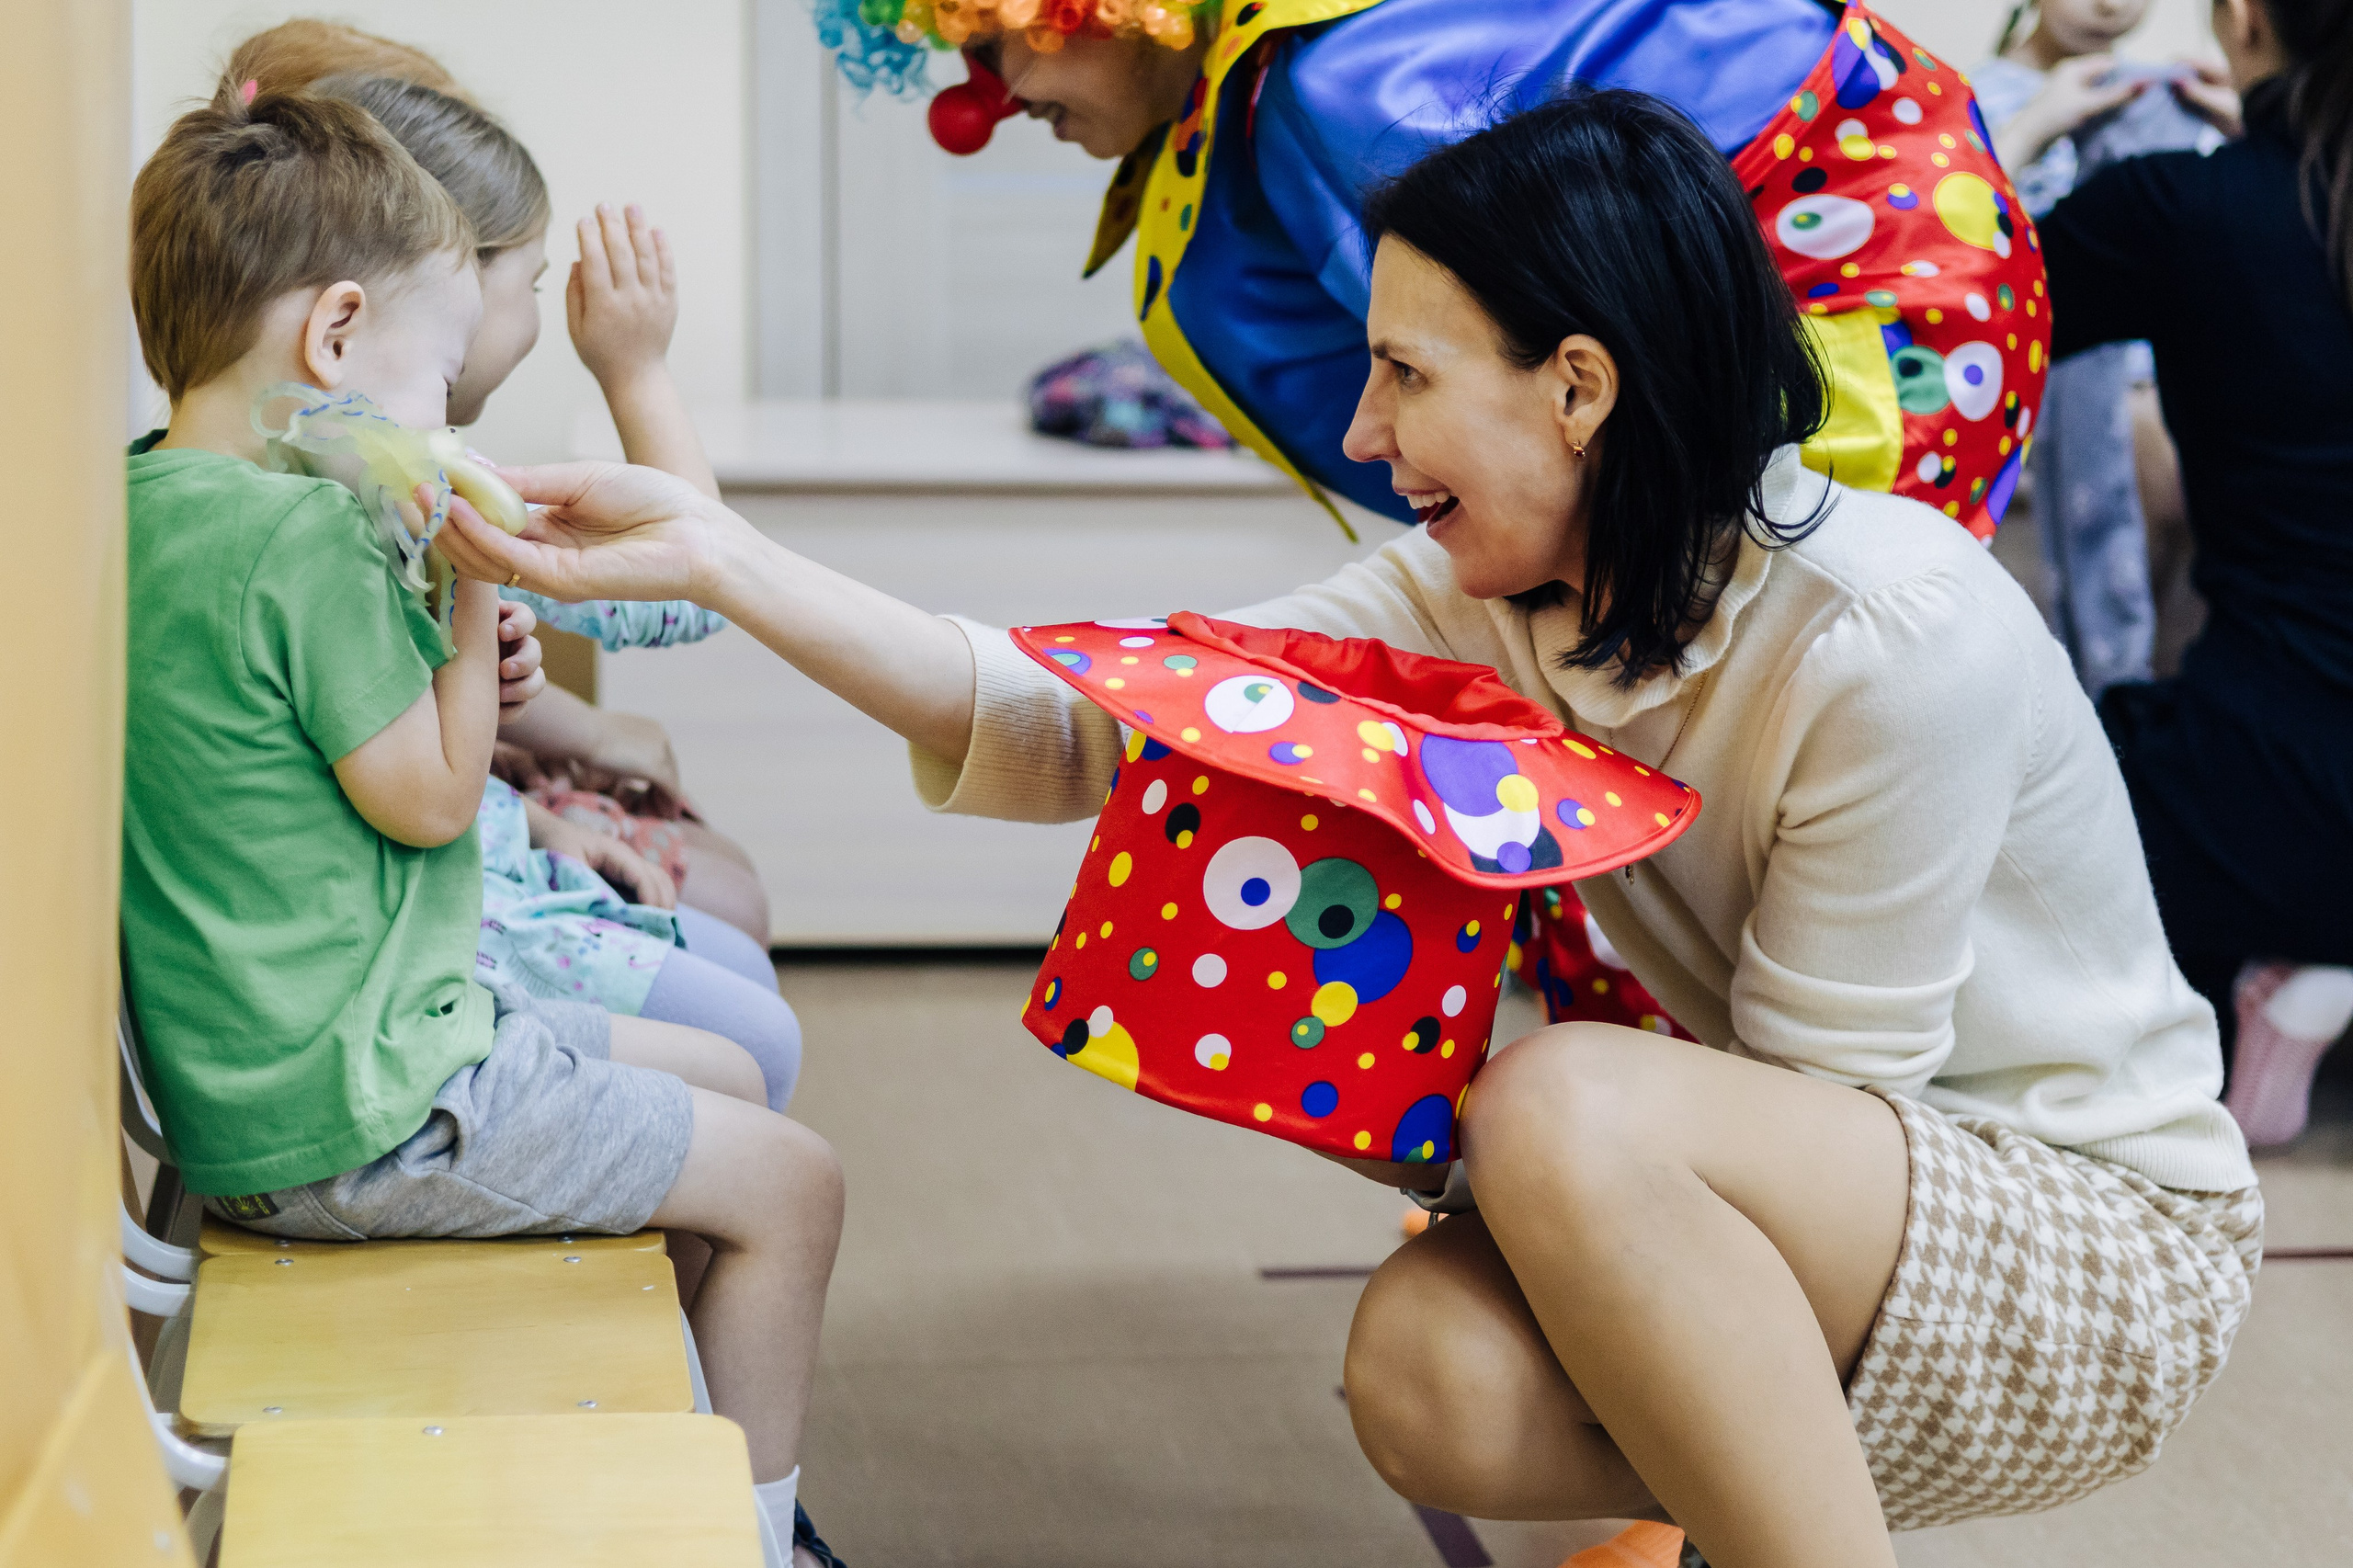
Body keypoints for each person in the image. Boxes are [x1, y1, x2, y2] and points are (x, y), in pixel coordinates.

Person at [443, 90, 2260, 1563]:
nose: (1366, 428)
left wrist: (1500, 1139)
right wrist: (721, 561)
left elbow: (1818, 1098)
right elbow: (1084, 714)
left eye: (1403, 372)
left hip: (2074, 1241)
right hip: (1807, 1190)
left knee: (1553, 1099)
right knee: (1424, 1376)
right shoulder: (1481, 581)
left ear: (1576, 382)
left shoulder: (1884, 634)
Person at [818, 0, 2054, 1052]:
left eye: (995, 45)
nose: (982, 102)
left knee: (1685, 736)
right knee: (1584, 745)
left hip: (1874, 280)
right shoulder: (1244, 120)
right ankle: (1662, 1161)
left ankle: (1740, 1149)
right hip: (1773, 304)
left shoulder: (1326, 90)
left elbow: (1485, 371)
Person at [119, 83, 843, 1563]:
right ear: (332, 337)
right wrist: (473, 576)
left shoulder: (147, 501)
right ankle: (760, 1539)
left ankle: (673, 1472)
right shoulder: (305, 532)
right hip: (360, 1109)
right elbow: (437, 796)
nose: (442, 418)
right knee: (796, 1179)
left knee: (724, 1071)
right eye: (437, 380)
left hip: (305, 1060)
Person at [224, 26, 803, 1109]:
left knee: (732, 933)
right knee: (744, 980)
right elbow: (684, 587)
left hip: (467, 857)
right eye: (529, 278)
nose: (541, 310)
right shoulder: (391, 489)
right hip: (439, 925)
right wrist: (636, 367)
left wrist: (556, 769)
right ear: (438, 272)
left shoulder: (279, 461)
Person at [2040, 0, 2353, 1146]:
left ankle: (2269, 973)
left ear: (2240, 18)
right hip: (2290, 776)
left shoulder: (2189, 207)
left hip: (2272, 787)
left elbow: (1957, 328)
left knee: (2026, 806)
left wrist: (2017, 133)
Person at [1972, 0, 2221, 698]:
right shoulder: (1976, 102)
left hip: (2156, 415)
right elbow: (1949, 251)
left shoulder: (2179, 107)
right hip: (2030, 417)